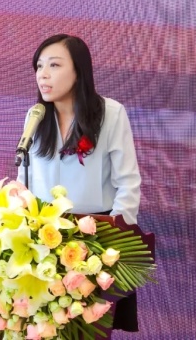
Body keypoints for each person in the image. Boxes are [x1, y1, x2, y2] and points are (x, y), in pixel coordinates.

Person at [18, 34, 141, 332]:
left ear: (78, 71)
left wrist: (112, 245)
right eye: (39, 66)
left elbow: (128, 184)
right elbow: (23, 182)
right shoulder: (36, 117)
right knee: (44, 330)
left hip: (96, 240)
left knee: (86, 330)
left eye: (54, 65)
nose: (43, 74)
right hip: (43, 243)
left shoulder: (110, 114)